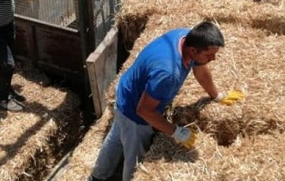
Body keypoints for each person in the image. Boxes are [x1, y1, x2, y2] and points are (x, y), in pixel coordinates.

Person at [89, 21, 245, 181]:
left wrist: (216, 95)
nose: (213, 58)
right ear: (193, 50)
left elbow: (200, 69)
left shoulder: (186, 36)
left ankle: (97, 176)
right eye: (209, 55)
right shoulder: (169, 73)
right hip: (133, 111)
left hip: (127, 89)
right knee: (135, 157)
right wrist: (176, 131)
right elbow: (144, 111)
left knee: (116, 137)